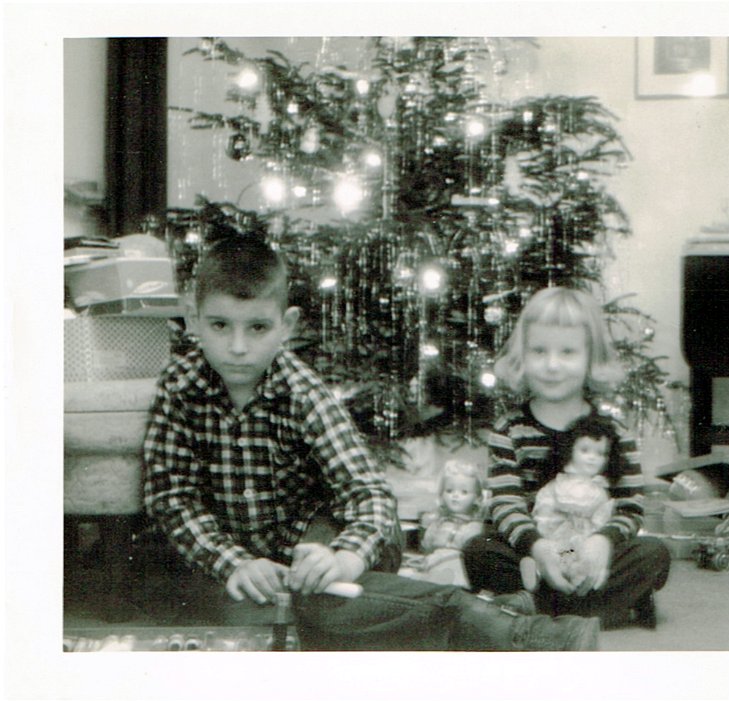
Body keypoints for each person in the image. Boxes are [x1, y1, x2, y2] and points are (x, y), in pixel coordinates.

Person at [141, 236, 600, 651]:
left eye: (258, 328)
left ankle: (527, 635)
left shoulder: (303, 393)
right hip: (262, 552)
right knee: (260, 614)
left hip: (339, 530)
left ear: (287, 325)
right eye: (220, 326)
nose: (238, 347)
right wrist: (234, 563)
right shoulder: (179, 386)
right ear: (193, 319)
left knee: (316, 603)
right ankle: (499, 608)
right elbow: (171, 495)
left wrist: (343, 558)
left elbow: (370, 496)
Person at [462, 286, 671, 629]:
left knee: (654, 554)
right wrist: (538, 547)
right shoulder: (509, 429)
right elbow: (506, 504)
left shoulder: (615, 432)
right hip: (537, 548)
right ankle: (590, 606)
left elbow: (630, 507)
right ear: (522, 357)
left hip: (589, 550)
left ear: (592, 359)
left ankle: (539, 605)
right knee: (479, 550)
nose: (552, 365)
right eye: (539, 351)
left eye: (568, 352)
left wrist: (603, 542)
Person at [518, 413, 618, 592]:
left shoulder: (599, 489)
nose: (592, 457)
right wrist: (546, 521)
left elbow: (602, 516)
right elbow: (547, 502)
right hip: (556, 533)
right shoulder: (560, 483)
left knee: (582, 557)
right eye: (584, 450)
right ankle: (537, 571)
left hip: (584, 538)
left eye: (600, 453)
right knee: (556, 554)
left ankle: (578, 580)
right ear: (570, 451)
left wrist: (597, 530)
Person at [399, 460, 486, 587]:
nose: (455, 496)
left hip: (456, 569)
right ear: (442, 494)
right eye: (449, 491)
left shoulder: (474, 527)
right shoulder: (438, 522)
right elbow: (428, 547)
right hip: (434, 564)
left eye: (464, 492)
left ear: (477, 498)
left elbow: (469, 553)